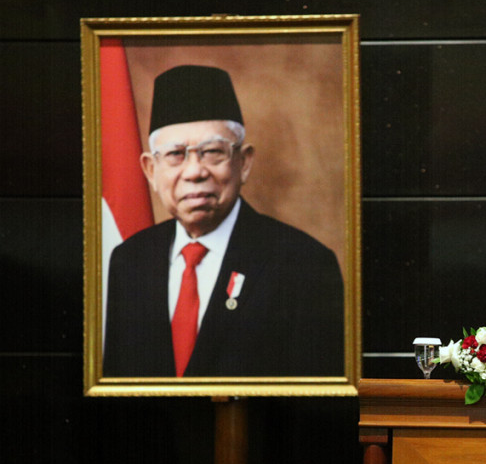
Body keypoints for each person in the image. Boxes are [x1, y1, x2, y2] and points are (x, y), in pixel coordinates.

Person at [103, 65, 343, 377]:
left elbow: (317, 400)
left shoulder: (304, 264)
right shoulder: (130, 260)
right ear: (151, 170)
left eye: (212, 151)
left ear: (243, 162)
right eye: (175, 154)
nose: (194, 172)